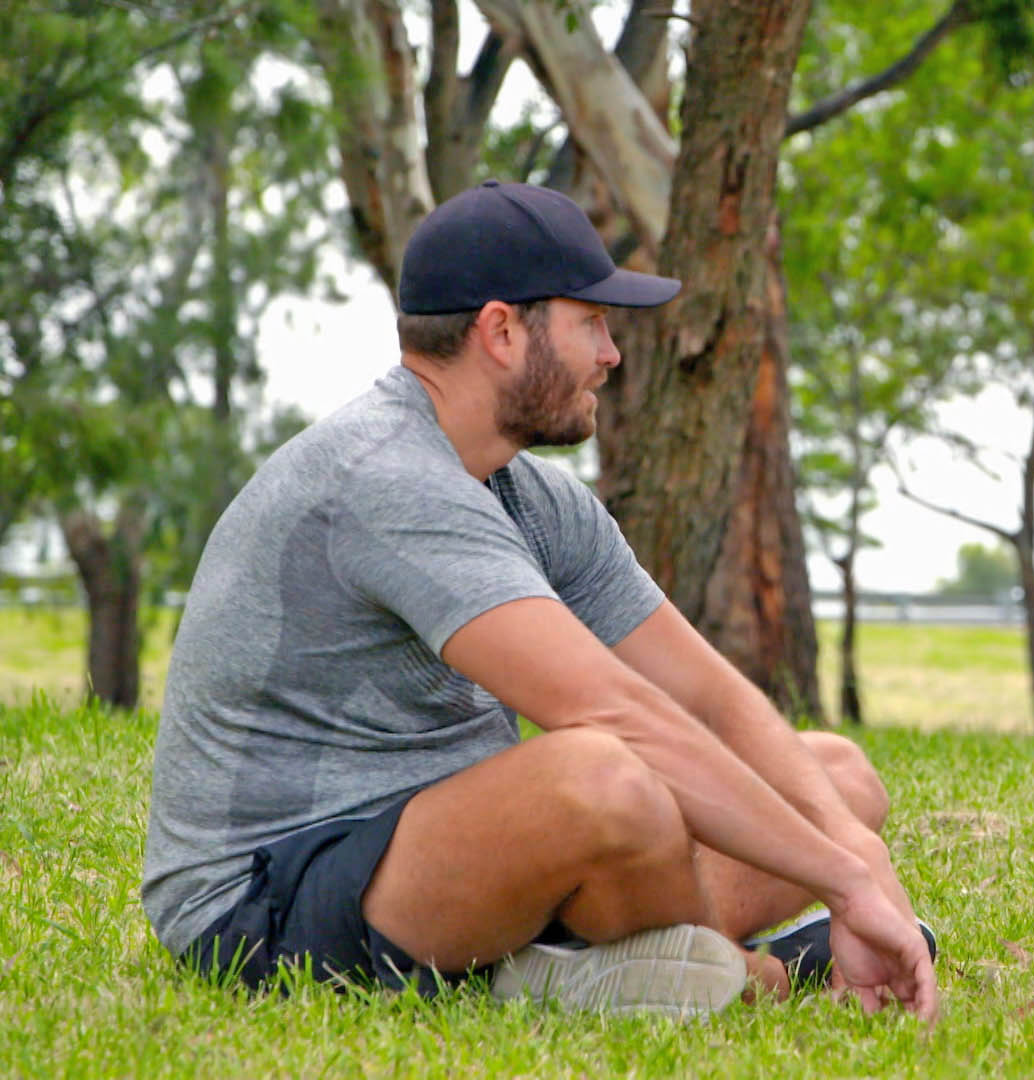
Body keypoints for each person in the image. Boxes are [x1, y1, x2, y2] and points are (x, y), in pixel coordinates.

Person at [141, 180, 938, 1021]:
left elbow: (708, 695)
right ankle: (754, 974)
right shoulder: (386, 477)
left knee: (838, 781)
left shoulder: (529, 495)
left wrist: (854, 853)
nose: (612, 354)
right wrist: (846, 885)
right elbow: (617, 714)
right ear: (502, 331)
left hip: (450, 854)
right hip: (262, 902)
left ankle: (584, 966)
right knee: (604, 777)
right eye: (591, 322)